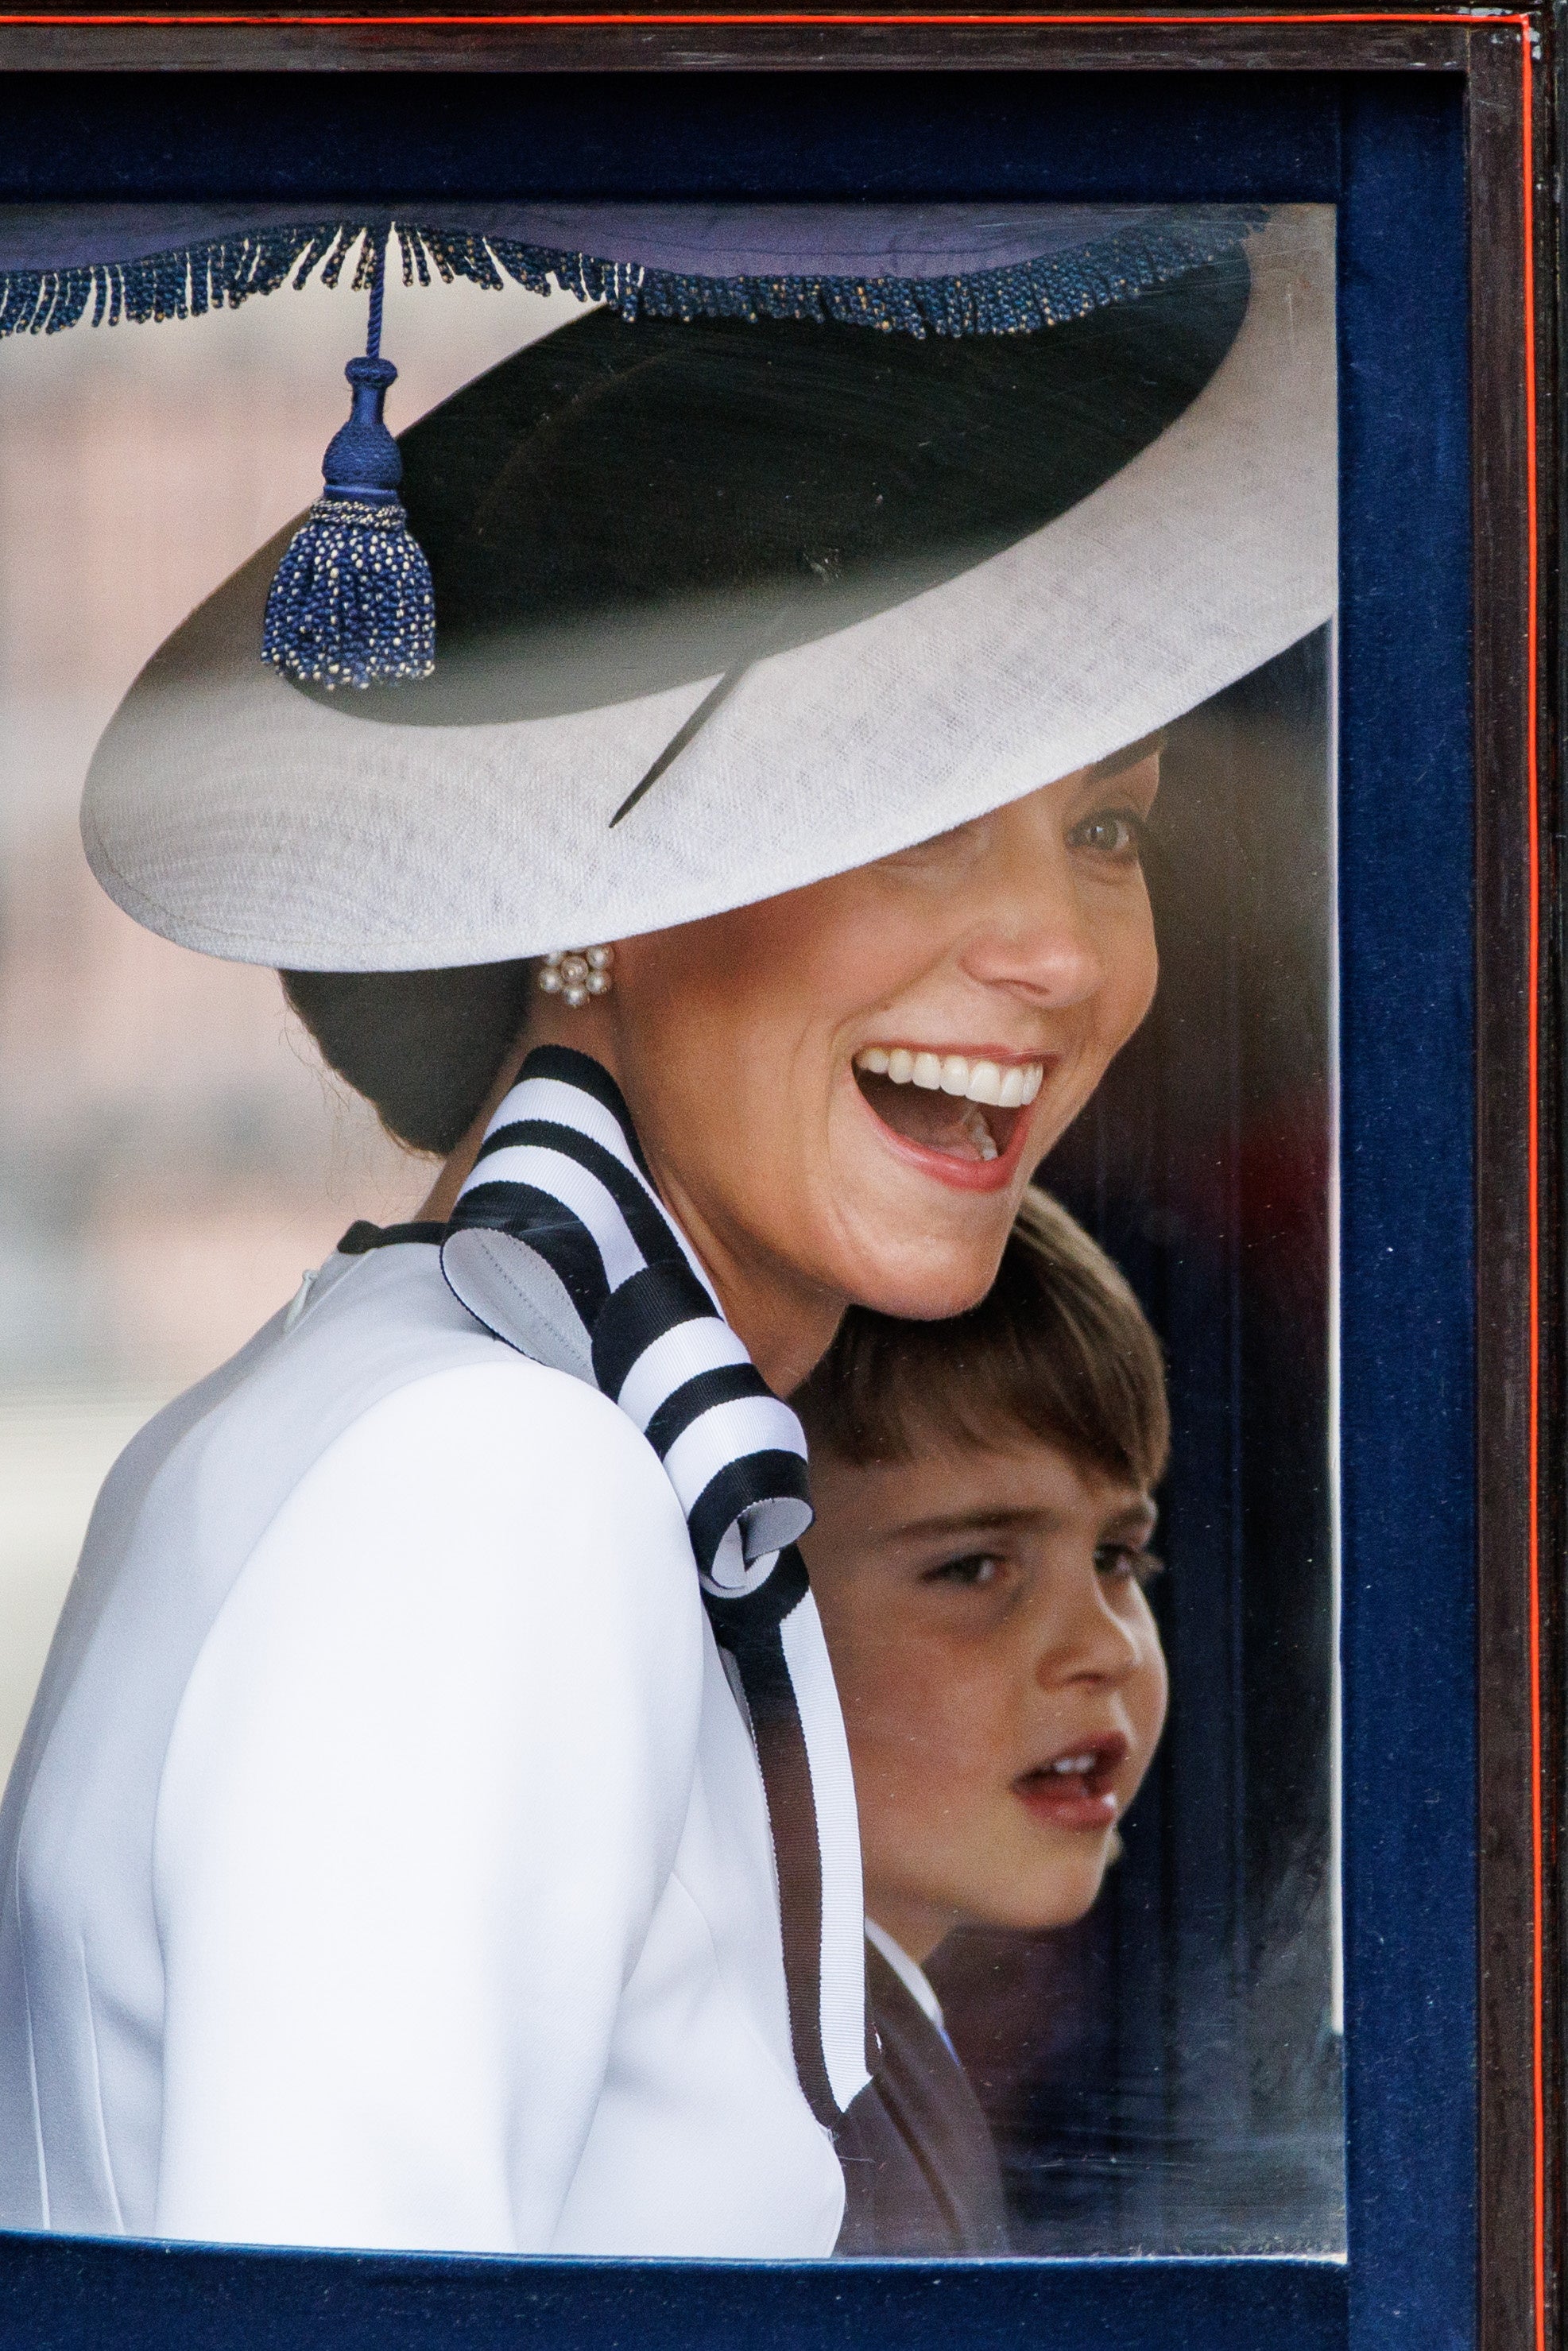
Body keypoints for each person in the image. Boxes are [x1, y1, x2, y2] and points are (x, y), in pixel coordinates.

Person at [0, 205, 1332, 2252]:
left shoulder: (487, 1421)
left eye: (1107, 828)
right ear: (592, 893)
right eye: (919, 817)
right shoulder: (488, 1481)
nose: (1063, 954)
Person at [796, 1187, 1171, 2254]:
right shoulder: (773, 2122)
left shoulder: (872, 2048)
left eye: (1115, 1557)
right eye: (971, 1565)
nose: (1104, 1643)